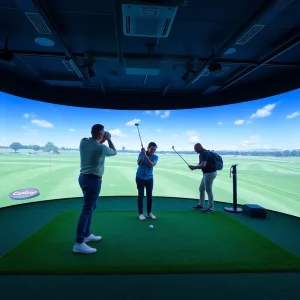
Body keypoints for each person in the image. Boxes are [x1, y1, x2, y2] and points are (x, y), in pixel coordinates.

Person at [73, 124, 117, 254]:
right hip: (93, 181)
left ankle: (86, 235)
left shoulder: (84, 142)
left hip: (83, 178)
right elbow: (114, 152)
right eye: (103, 134)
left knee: (90, 207)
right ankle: (79, 242)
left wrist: (103, 137)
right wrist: (109, 139)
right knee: (87, 209)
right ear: (100, 135)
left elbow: (96, 143)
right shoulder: (101, 147)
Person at [188, 143, 217, 213]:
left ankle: (211, 208)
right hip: (207, 174)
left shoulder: (204, 153)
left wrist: (194, 167)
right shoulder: (202, 154)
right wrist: (194, 167)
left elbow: (203, 165)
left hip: (210, 173)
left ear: (199, 147)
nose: (195, 151)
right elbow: (200, 164)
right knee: (201, 188)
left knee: (208, 190)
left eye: (196, 149)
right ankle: (201, 205)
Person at [136, 142, 158, 221]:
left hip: (149, 178)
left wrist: (145, 155)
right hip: (140, 178)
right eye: (152, 149)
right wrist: (143, 155)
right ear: (148, 148)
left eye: (154, 149)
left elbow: (151, 165)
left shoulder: (155, 157)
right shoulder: (141, 154)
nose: (153, 151)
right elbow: (139, 163)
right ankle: (141, 213)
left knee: (149, 196)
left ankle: (149, 213)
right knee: (141, 196)